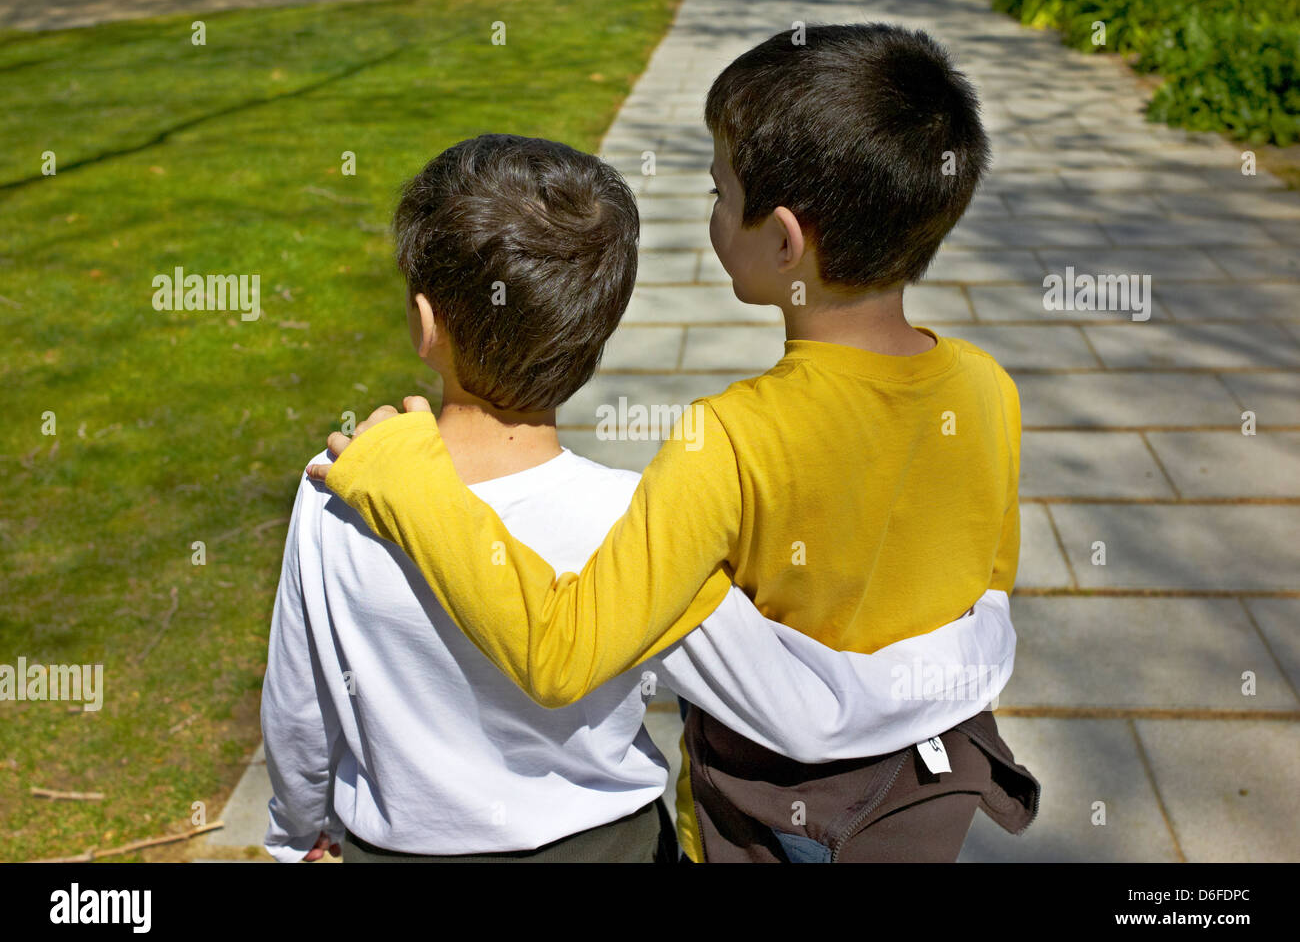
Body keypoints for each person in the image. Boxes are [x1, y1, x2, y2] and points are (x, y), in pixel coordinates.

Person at [264, 133, 1016, 863]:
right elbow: (788, 700)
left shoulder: (335, 492)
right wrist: (965, 649)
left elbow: (299, 709)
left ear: (427, 324)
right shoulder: (637, 519)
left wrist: (298, 834)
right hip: (613, 845)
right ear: (597, 334)